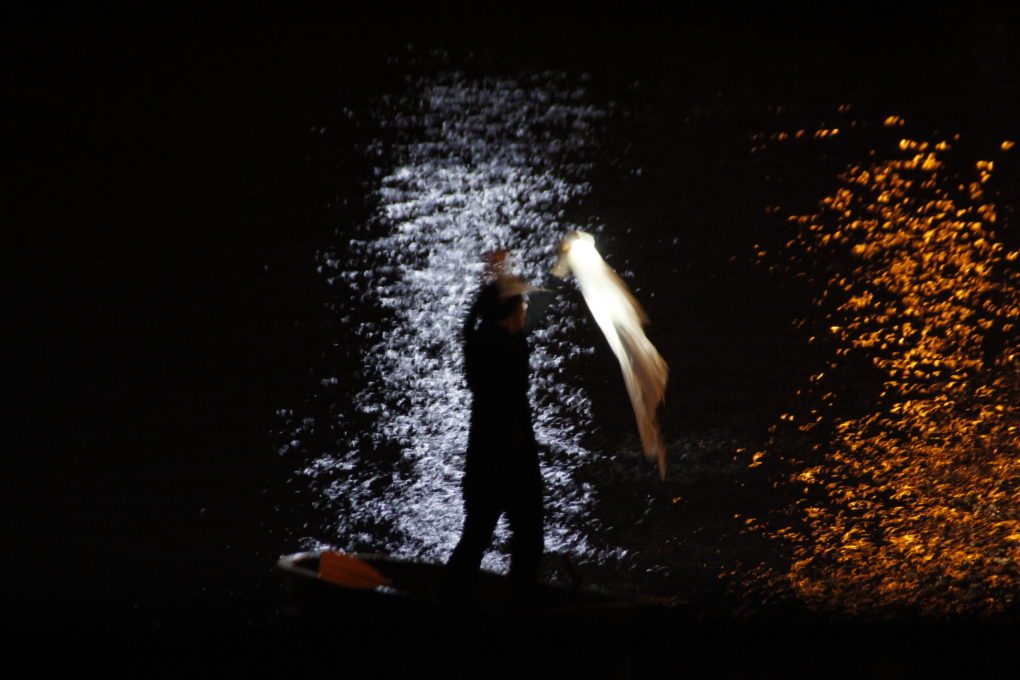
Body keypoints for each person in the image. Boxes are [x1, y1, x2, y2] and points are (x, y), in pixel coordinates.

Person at [442, 260, 549, 606]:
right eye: (522, 303)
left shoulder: (494, 337)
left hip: (502, 459)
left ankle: (507, 602)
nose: (527, 308)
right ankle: (459, 604)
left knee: (516, 536)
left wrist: (499, 277)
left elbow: (531, 312)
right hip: (499, 461)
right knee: (486, 536)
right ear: (508, 312)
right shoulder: (493, 348)